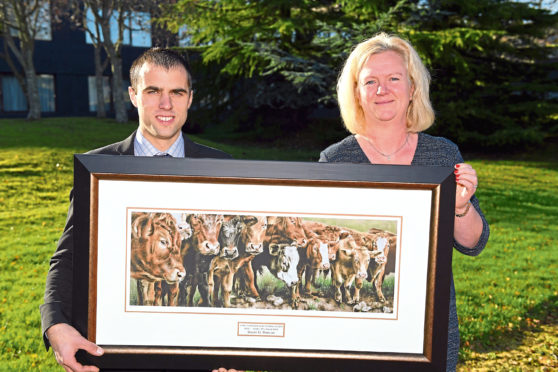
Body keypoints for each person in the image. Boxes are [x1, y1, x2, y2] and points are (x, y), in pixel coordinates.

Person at [40, 47, 242, 372]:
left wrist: (240, 346)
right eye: (153, 91)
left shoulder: (222, 167)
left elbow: (230, 254)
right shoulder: (99, 171)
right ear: (133, 95)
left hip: (200, 356)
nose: (166, 104)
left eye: (177, 92)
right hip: (117, 357)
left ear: (190, 98)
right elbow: (69, 257)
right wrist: (56, 324)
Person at [319, 33, 489, 372]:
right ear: (357, 93)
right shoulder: (335, 160)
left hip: (428, 329)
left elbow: (473, 243)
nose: (382, 90)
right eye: (371, 81)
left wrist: (461, 206)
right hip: (357, 329)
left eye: (394, 78)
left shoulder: (442, 154)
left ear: (412, 88)